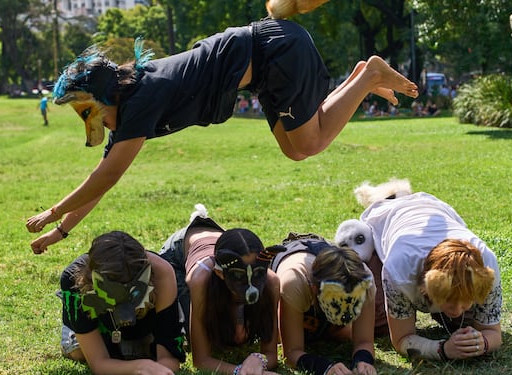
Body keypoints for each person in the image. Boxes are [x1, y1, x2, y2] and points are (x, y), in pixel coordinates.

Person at [24, 0, 419, 241]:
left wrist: (54, 213)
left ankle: (367, 77)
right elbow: (103, 179)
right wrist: (62, 231)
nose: (91, 123)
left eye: (87, 111)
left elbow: (105, 178)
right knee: (295, 147)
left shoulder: (140, 99)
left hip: (277, 51)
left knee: (307, 145)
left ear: (105, 97)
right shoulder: (130, 105)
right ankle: (362, 78)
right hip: (267, 62)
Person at [349, 179, 502, 362]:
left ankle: (399, 194)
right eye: (449, 301)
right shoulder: (399, 268)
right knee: (377, 323)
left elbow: (493, 332)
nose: (457, 309)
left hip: (434, 210)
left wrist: (481, 343)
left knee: (464, 324)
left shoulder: (486, 268)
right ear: (426, 286)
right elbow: (400, 339)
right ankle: (392, 197)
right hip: (388, 220)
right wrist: (442, 350)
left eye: (465, 301)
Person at [157, 205, 283, 375]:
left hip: (219, 240)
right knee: (191, 331)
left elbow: (270, 353)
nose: (251, 288)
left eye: (257, 275)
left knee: (236, 335)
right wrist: (240, 371)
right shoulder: (200, 279)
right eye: (239, 277)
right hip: (181, 251)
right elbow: (201, 360)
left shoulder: (271, 282)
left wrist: (258, 359)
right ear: (221, 273)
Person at [57, 231, 187, 375]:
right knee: (77, 352)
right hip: (99, 329)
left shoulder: (161, 272)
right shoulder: (72, 277)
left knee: (143, 350)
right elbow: (98, 363)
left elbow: (169, 356)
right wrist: (144, 367)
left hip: (144, 329)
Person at [271, 233, 379, 375]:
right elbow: (291, 352)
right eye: (336, 301)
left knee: (345, 333)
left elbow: (364, 341)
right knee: (277, 334)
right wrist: (323, 368)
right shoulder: (294, 282)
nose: (345, 310)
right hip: (297, 282)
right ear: (315, 288)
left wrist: (363, 361)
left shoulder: (365, 281)